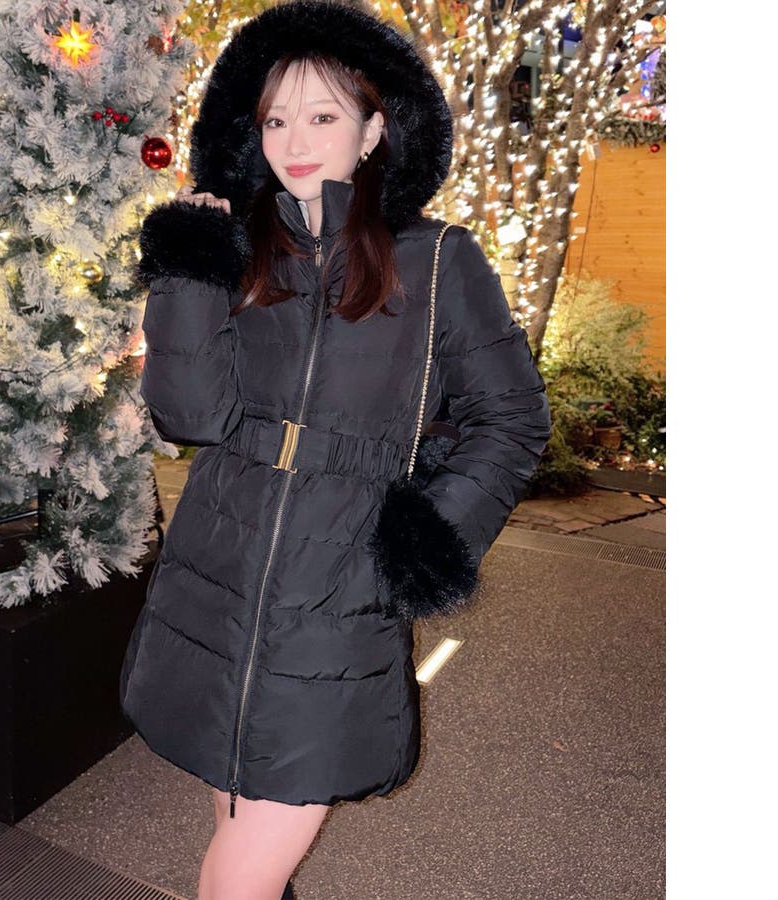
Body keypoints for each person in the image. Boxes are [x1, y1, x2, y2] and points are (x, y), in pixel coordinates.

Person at [119, 2, 552, 898]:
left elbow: (510, 419)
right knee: (236, 813)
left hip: (339, 585)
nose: (296, 141)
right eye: (276, 119)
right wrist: (188, 270)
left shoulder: (437, 259)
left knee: (245, 863)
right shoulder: (242, 245)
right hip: (216, 565)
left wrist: (422, 539)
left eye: (323, 115)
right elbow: (189, 416)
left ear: (374, 129)